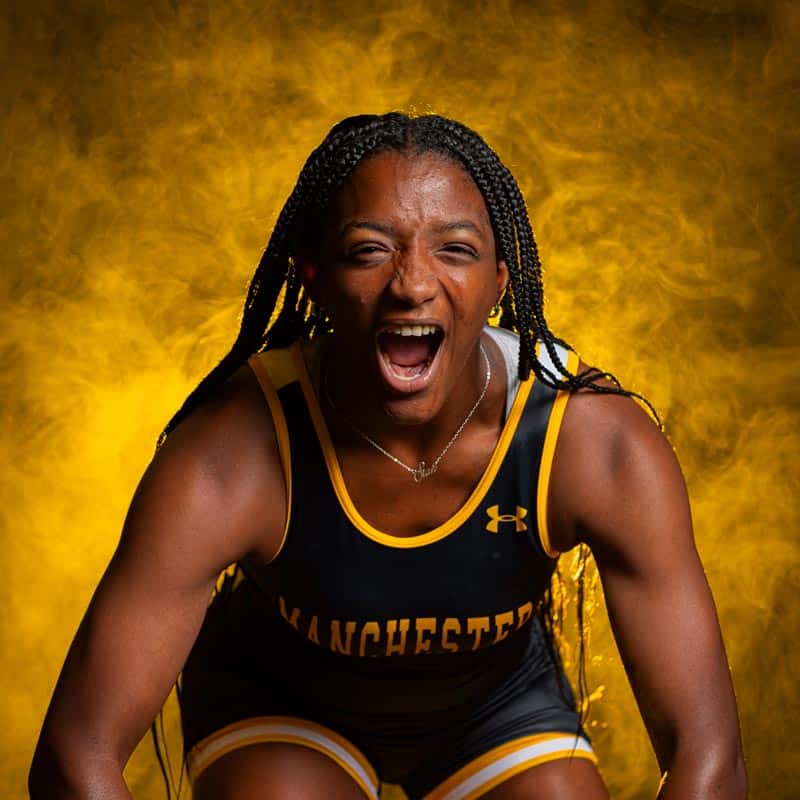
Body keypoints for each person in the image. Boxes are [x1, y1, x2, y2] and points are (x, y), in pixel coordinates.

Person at [29, 112, 746, 800]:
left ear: (500, 282)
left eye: (456, 249)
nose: (412, 283)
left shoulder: (593, 442)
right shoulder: (230, 456)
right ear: (314, 275)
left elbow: (707, 760)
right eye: (370, 250)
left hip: (495, 707)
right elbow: (74, 757)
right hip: (285, 706)